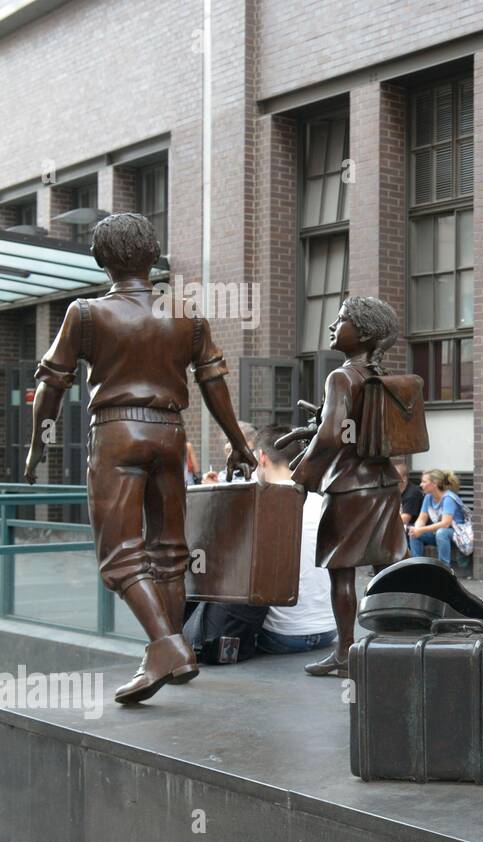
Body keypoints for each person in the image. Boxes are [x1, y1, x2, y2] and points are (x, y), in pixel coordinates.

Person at [24, 212, 256, 704]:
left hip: (116, 433)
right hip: (171, 433)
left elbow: (50, 384)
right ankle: (170, 653)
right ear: (153, 255)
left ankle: (168, 647)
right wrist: (237, 442)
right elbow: (213, 381)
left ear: (100, 261)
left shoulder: (86, 313)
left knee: (119, 555)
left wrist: (38, 443)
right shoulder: (186, 312)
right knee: (171, 554)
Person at [279, 296, 408, 678]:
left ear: (364, 333)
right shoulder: (381, 377)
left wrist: (300, 477)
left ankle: (346, 652)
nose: (334, 327)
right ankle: (394, 648)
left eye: (341, 321)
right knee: (388, 569)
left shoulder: (340, 377)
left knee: (342, 572)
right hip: (383, 483)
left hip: (350, 488)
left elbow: (334, 435)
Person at [252, 424, 338, 653]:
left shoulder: (259, 506)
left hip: (281, 635)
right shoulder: (323, 504)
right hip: (329, 630)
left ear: (261, 458)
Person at [408, 469, 467, 567]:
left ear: (434, 483)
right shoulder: (428, 497)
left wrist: (421, 529)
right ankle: (417, 566)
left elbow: (445, 524)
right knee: (414, 533)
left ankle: (444, 569)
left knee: (441, 532)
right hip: (438, 534)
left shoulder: (448, 498)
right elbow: (422, 519)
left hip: (457, 535)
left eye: (424, 482)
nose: (421, 485)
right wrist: (416, 529)